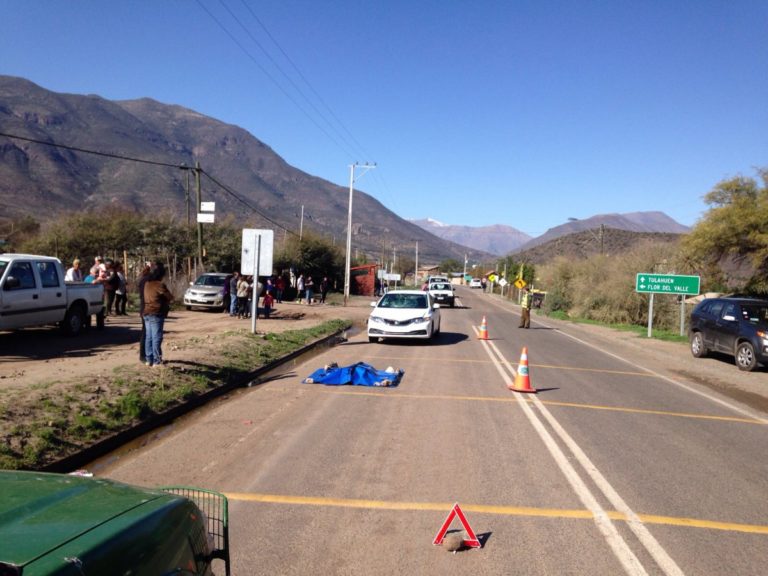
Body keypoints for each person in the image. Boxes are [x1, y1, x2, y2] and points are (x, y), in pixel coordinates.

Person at [143, 261, 174, 367]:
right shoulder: (159, 285)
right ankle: (157, 360)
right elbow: (170, 297)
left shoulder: (147, 284)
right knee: (157, 337)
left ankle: (149, 359)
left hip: (146, 312)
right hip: (156, 312)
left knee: (149, 337)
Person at [137, 262, 151, 364]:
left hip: (143, 308)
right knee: (147, 333)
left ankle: (144, 355)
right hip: (147, 308)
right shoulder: (148, 281)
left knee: (145, 332)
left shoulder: (142, 280)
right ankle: (144, 355)